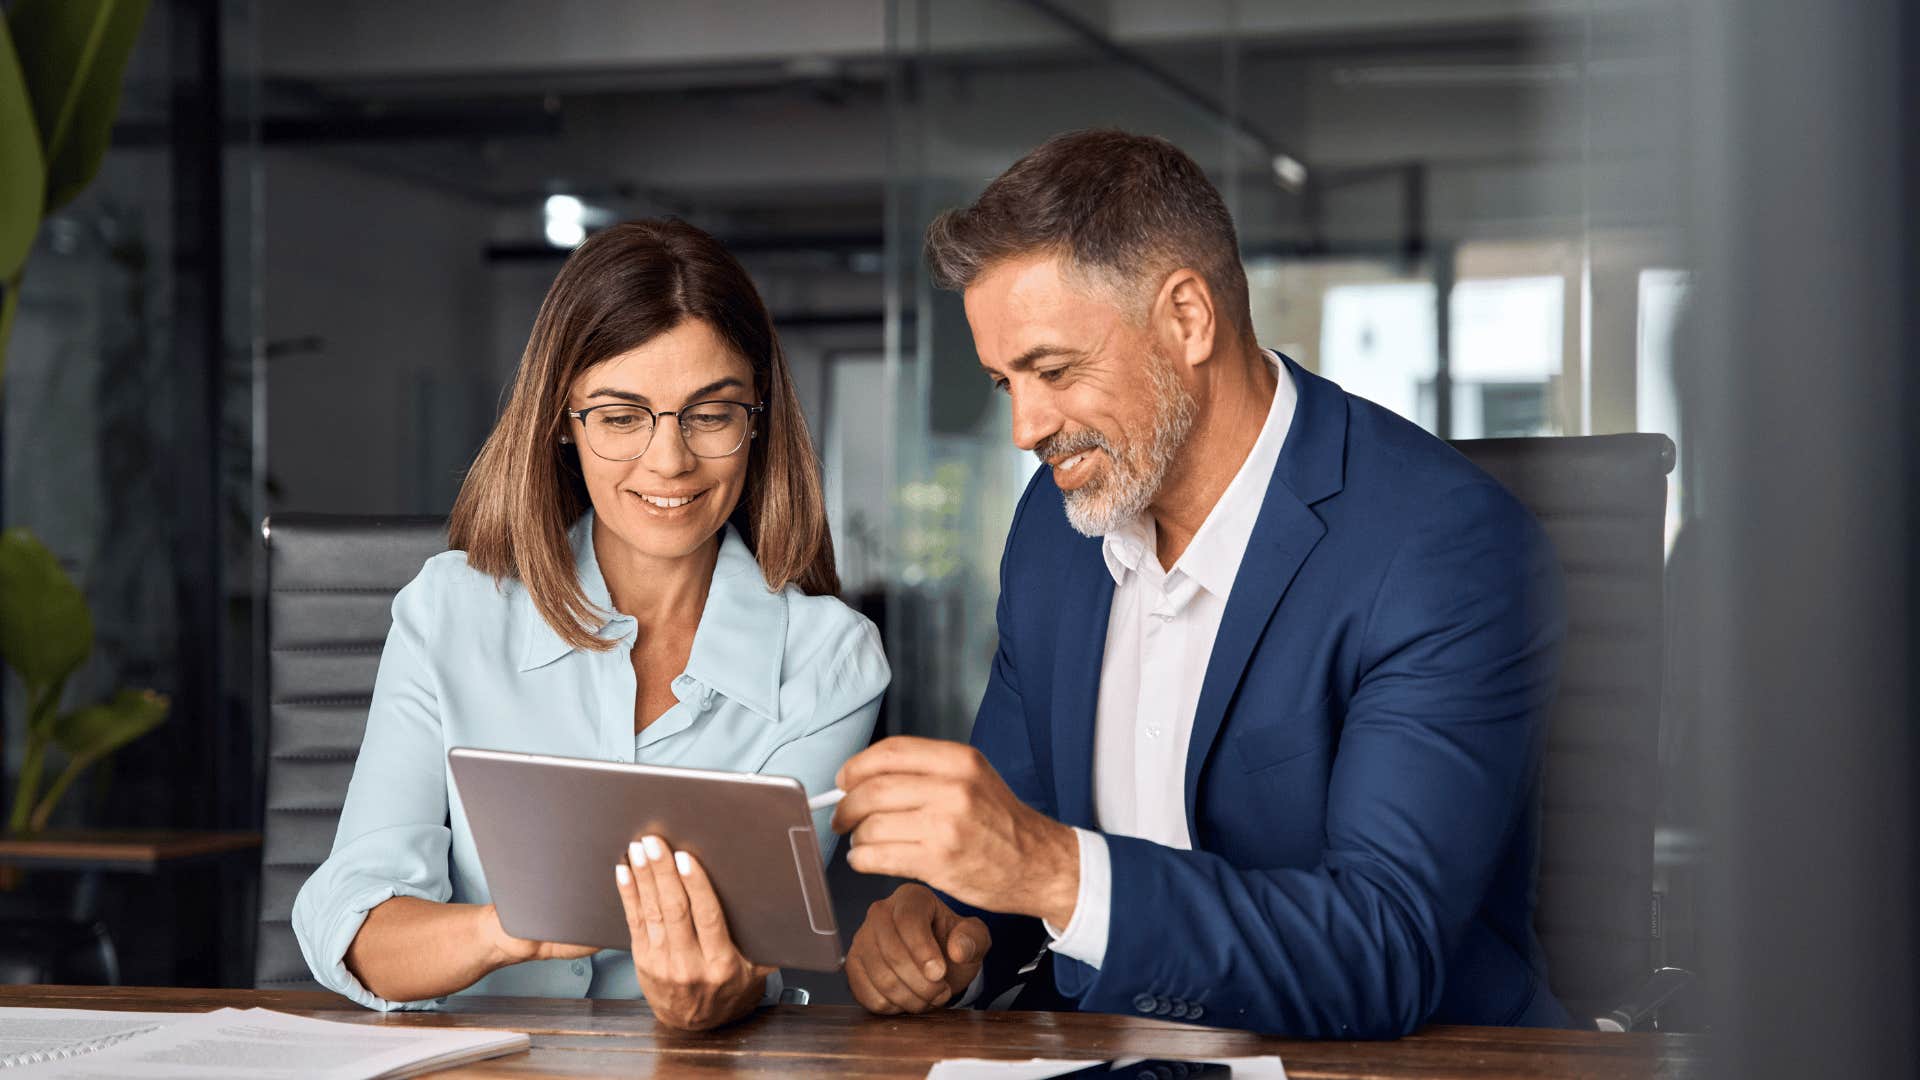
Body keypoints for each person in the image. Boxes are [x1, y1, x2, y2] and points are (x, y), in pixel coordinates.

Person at [833, 130, 1568, 1037]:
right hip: (1097, 1050)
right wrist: (944, 927)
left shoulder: (1442, 548)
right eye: (1002, 383)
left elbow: (1386, 951)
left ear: (1187, 317)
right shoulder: (1055, 533)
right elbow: (1016, 839)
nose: (1025, 428)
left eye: (1054, 370)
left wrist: (1057, 874)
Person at [292, 219, 889, 1031]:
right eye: (621, 416)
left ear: (758, 420)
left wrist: (716, 992)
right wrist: (510, 928)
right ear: (562, 424)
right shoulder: (449, 613)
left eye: (710, 415)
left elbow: (758, 949)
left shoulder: (831, 661)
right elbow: (354, 923)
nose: (669, 461)